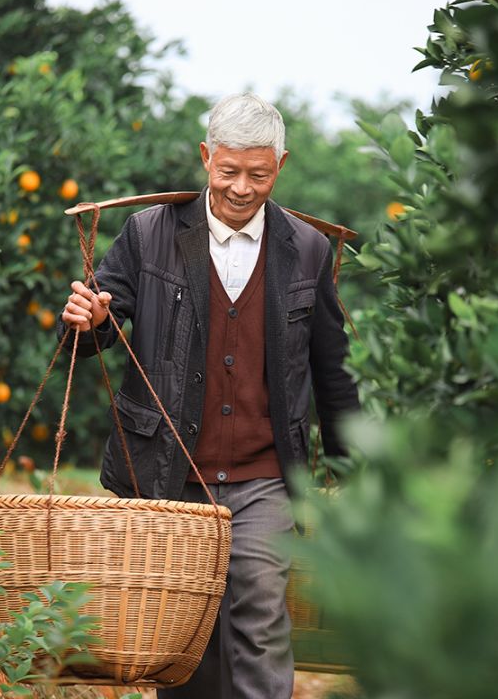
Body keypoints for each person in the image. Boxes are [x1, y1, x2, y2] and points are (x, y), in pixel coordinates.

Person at [59, 92, 359, 699]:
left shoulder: (307, 248)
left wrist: (355, 471)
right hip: (170, 474)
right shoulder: (150, 234)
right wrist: (88, 321)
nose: (242, 188)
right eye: (229, 171)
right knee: (182, 636)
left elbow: (333, 371)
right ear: (205, 157)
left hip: (264, 476)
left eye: (259, 174)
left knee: (258, 620)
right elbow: (90, 331)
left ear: (281, 165)